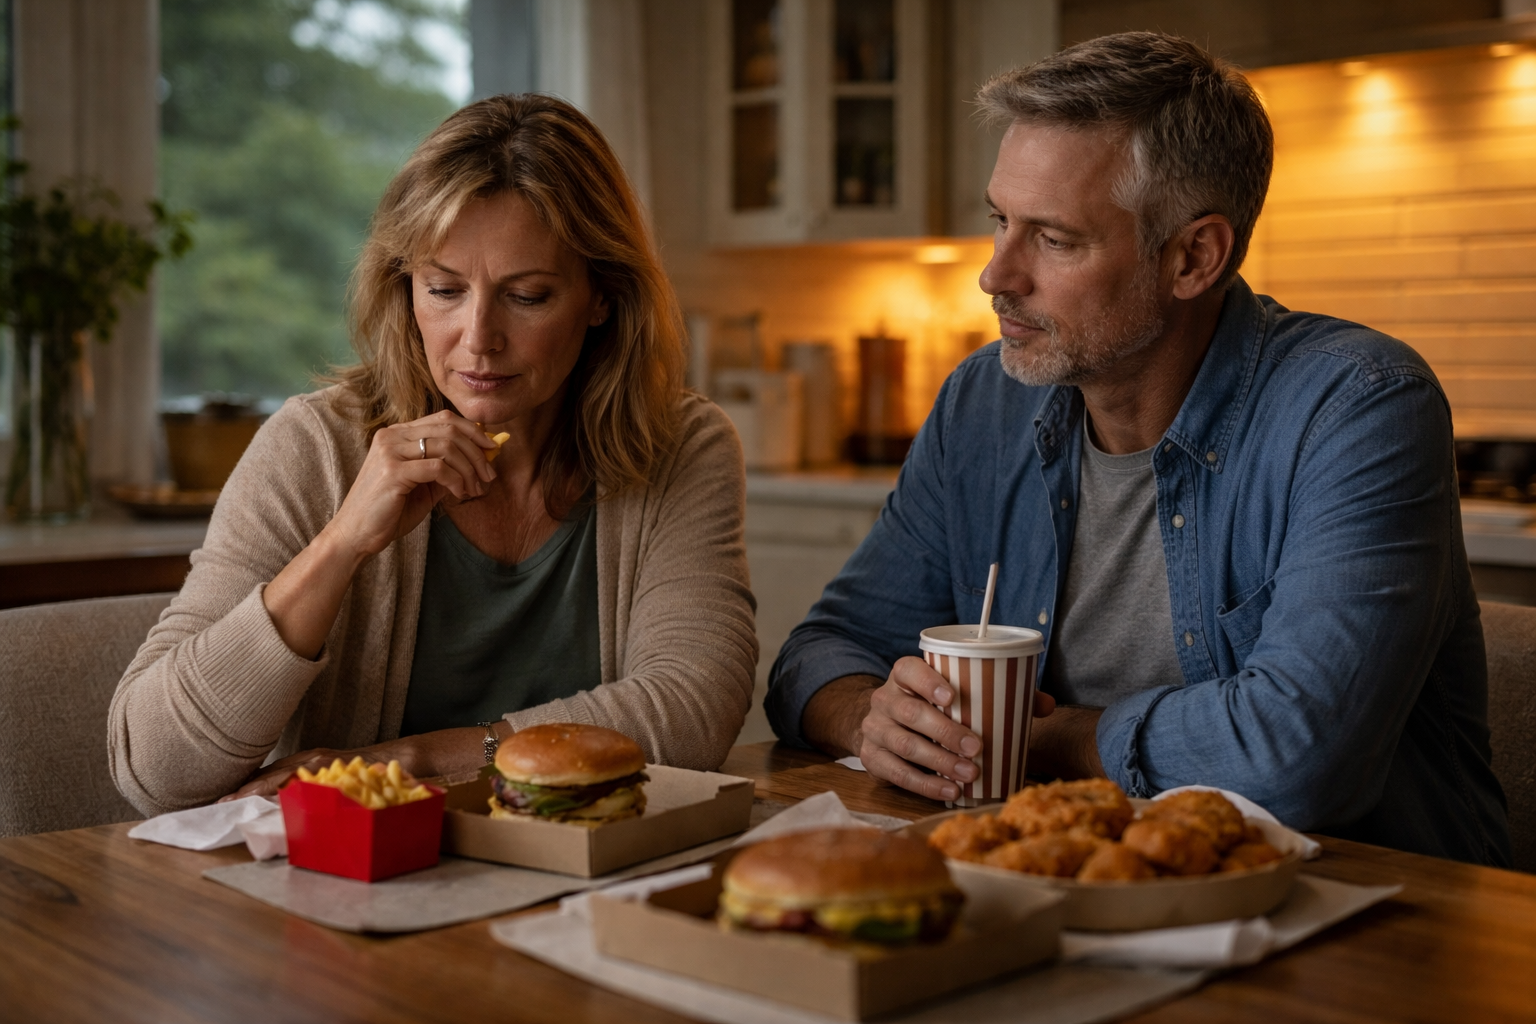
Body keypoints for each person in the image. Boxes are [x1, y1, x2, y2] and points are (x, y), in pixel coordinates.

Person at [766, 33, 1510, 865]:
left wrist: (1034, 741)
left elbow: (1297, 762)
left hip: (1368, 914)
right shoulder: (985, 402)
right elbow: (818, 655)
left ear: (1194, 256)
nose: (995, 275)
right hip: (1079, 894)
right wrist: (870, 715)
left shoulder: (1358, 405)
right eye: (1000, 222)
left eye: (1053, 239)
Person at [109, 95, 758, 815]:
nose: (478, 338)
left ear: (600, 297)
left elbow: (695, 707)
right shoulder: (314, 447)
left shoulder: (680, 448)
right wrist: (343, 543)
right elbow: (152, 769)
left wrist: (422, 757)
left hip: (594, 888)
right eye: (444, 289)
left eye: (529, 295)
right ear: (405, 288)